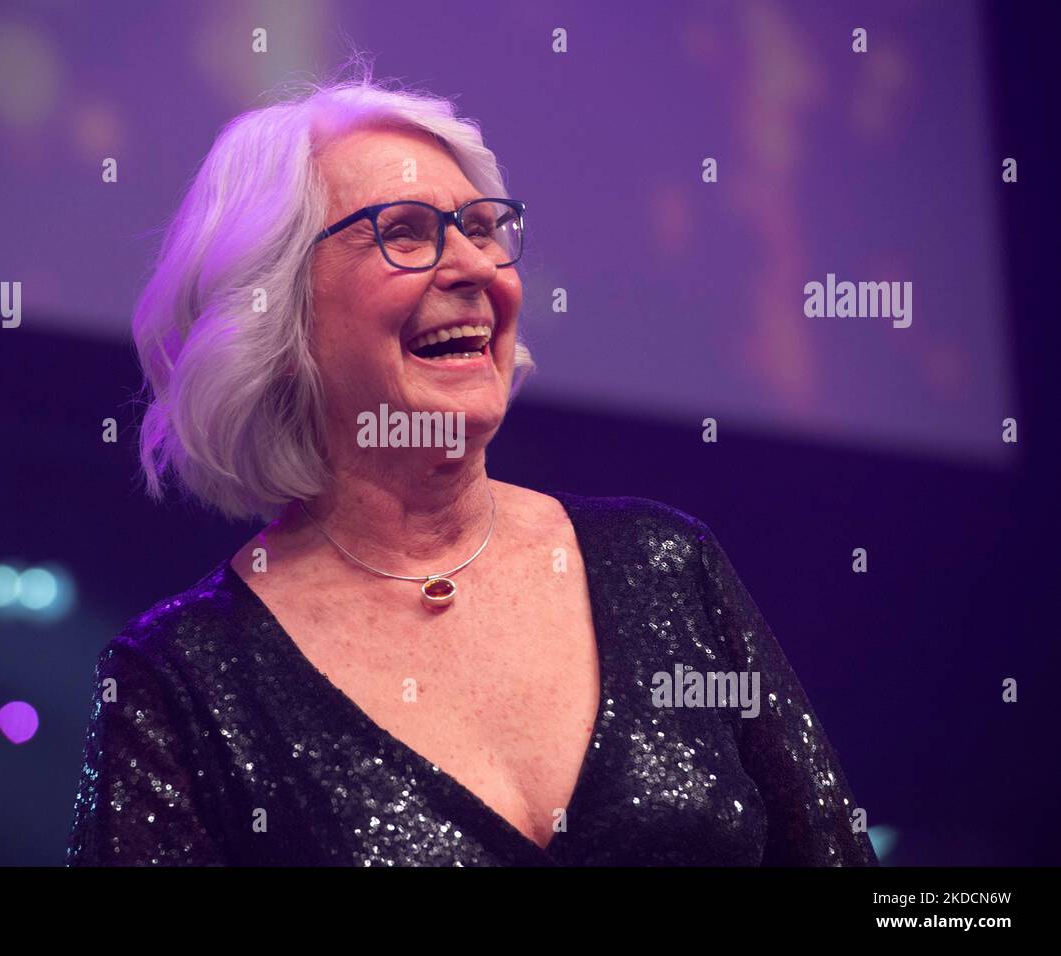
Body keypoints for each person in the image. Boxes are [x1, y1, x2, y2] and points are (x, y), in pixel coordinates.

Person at [65, 65, 877, 867]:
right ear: (276, 311)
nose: (476, 269)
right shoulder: (184, 686)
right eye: (405, 232)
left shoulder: (665, 567)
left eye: (483, 229)